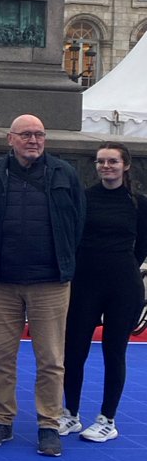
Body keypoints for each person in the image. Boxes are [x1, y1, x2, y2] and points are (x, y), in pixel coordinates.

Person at [0, 114, 86, 457]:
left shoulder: (64, 173)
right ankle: (1, 419)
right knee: (0, 356)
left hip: (50, 281)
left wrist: (64, 261)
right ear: (10, 138)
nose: (33, 140)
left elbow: (77, 222)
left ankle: (49, 424)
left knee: (51, 359)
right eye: (26, 134)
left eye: (38, 134)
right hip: (4, 280)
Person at [59, 142, 147, 445]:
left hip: (123, 286)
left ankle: (107, 420)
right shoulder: (84, 199)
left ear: (125, 165)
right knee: (74, 351)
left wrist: (123, 268)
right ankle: (70, 413)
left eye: (112, 161)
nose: (105, 166)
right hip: (84, 285)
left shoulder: (139, 203)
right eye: (100, 161)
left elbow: (142, 246)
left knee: (114, 352)